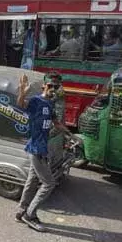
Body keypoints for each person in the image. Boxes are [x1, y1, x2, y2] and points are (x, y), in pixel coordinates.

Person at [14, 73, 70, 232]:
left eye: (56, 86)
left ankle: (21, 210)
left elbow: (57, 123)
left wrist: (71, 135)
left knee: (32, 180)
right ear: (43, 86)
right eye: (50, 85)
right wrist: (23, 91)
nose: (53, 88)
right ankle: (30, 215)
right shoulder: (36, 101)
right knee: (49, 183)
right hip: (36, 149)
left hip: (42, 148)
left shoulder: (50, 104)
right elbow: (20, 105)